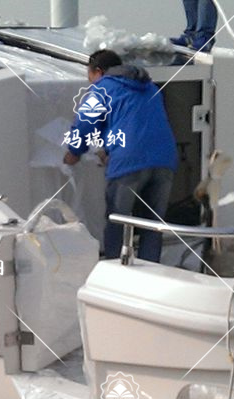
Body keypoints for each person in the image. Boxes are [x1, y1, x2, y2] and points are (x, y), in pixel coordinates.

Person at [63, 50, 178, 262]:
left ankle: (115, 270)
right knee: (153, 223)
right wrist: (107, 149)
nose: (90, 82)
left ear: (98, 71)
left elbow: (85, 123)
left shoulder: (103, 88)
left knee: (118, 220)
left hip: (129, 162)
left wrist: (74, 152)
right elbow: (135, 122)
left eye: (89, 76)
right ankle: (152, 271)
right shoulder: (150, 86)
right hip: (164, 159)